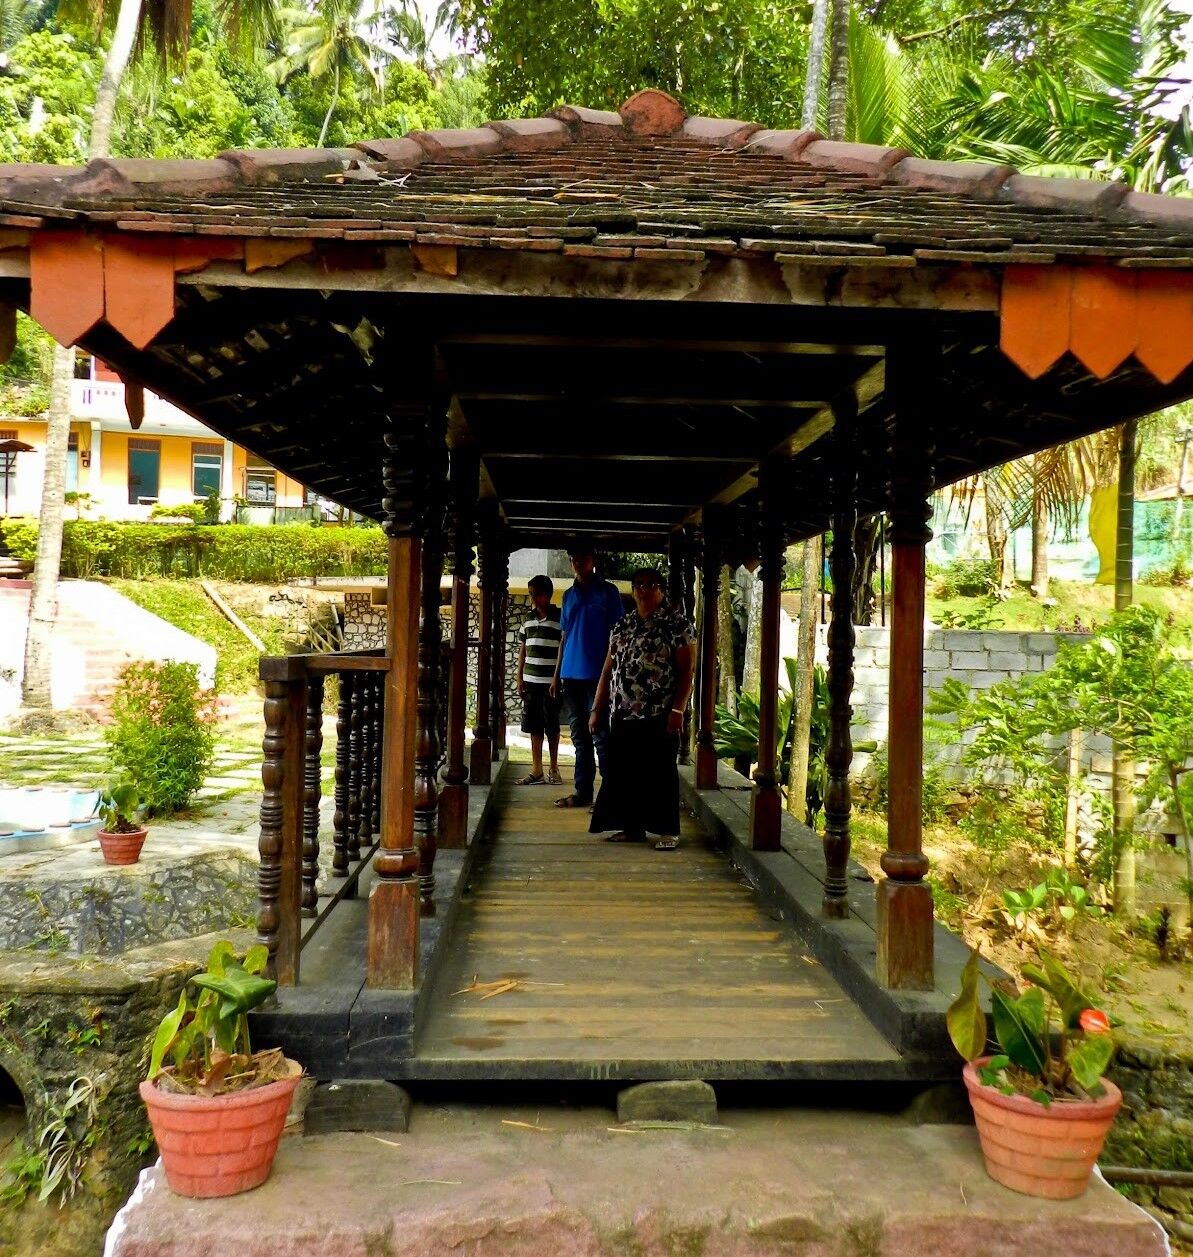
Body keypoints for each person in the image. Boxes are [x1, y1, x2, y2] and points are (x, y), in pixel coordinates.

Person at [588, 568, 695, 850]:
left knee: (660, 772)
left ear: (660, 590)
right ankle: (633, 828)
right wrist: (597, 708)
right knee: (624, 772)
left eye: (650, 585)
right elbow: (608, 669)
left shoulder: (677, 625)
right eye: (638, 585)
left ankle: (668, 830)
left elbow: (687, 671)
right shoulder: (623, 625)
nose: (643, 590)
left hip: (660, 711)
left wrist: (678, 710)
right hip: (623, 711)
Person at [551, 545, 624, 809]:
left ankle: (610, 797)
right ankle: (583, 793)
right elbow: (564, 636)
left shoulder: (608, 592)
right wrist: (556, 675)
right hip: (570, 675)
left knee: (602, 736)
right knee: (579, 738)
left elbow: (618, 636)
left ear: (593, 559)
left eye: (581, 558)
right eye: (573, 559)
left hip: (599, 675)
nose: (577, 562)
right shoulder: (568, 595)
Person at [515, 575, 563, 787]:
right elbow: (522, 650)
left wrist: (556, 678)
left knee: (552, 726)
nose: (532, 598)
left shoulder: (560, 618)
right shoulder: (527, 619)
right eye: (530, 593)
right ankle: (537, 770)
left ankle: (554, 768)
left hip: (551, 683)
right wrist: (519, 677)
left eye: (536, 594)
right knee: (534, 726)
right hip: (530, 681)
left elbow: (563, 649)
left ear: (547, 595)